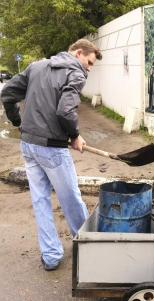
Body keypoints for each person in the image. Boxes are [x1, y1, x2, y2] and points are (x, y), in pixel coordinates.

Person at [1, 38, 102, 271]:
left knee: (40, 202)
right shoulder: (75, 73)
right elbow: (66, 111)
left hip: (28, 145)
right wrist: (75, 136)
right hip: (52, 149)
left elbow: (7, 93)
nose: (88, 68)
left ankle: (51, 256)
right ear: (78, 53)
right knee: (72, 201)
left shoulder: (36, 66)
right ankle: (89, 248)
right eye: (89, 62)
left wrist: (18, 122)